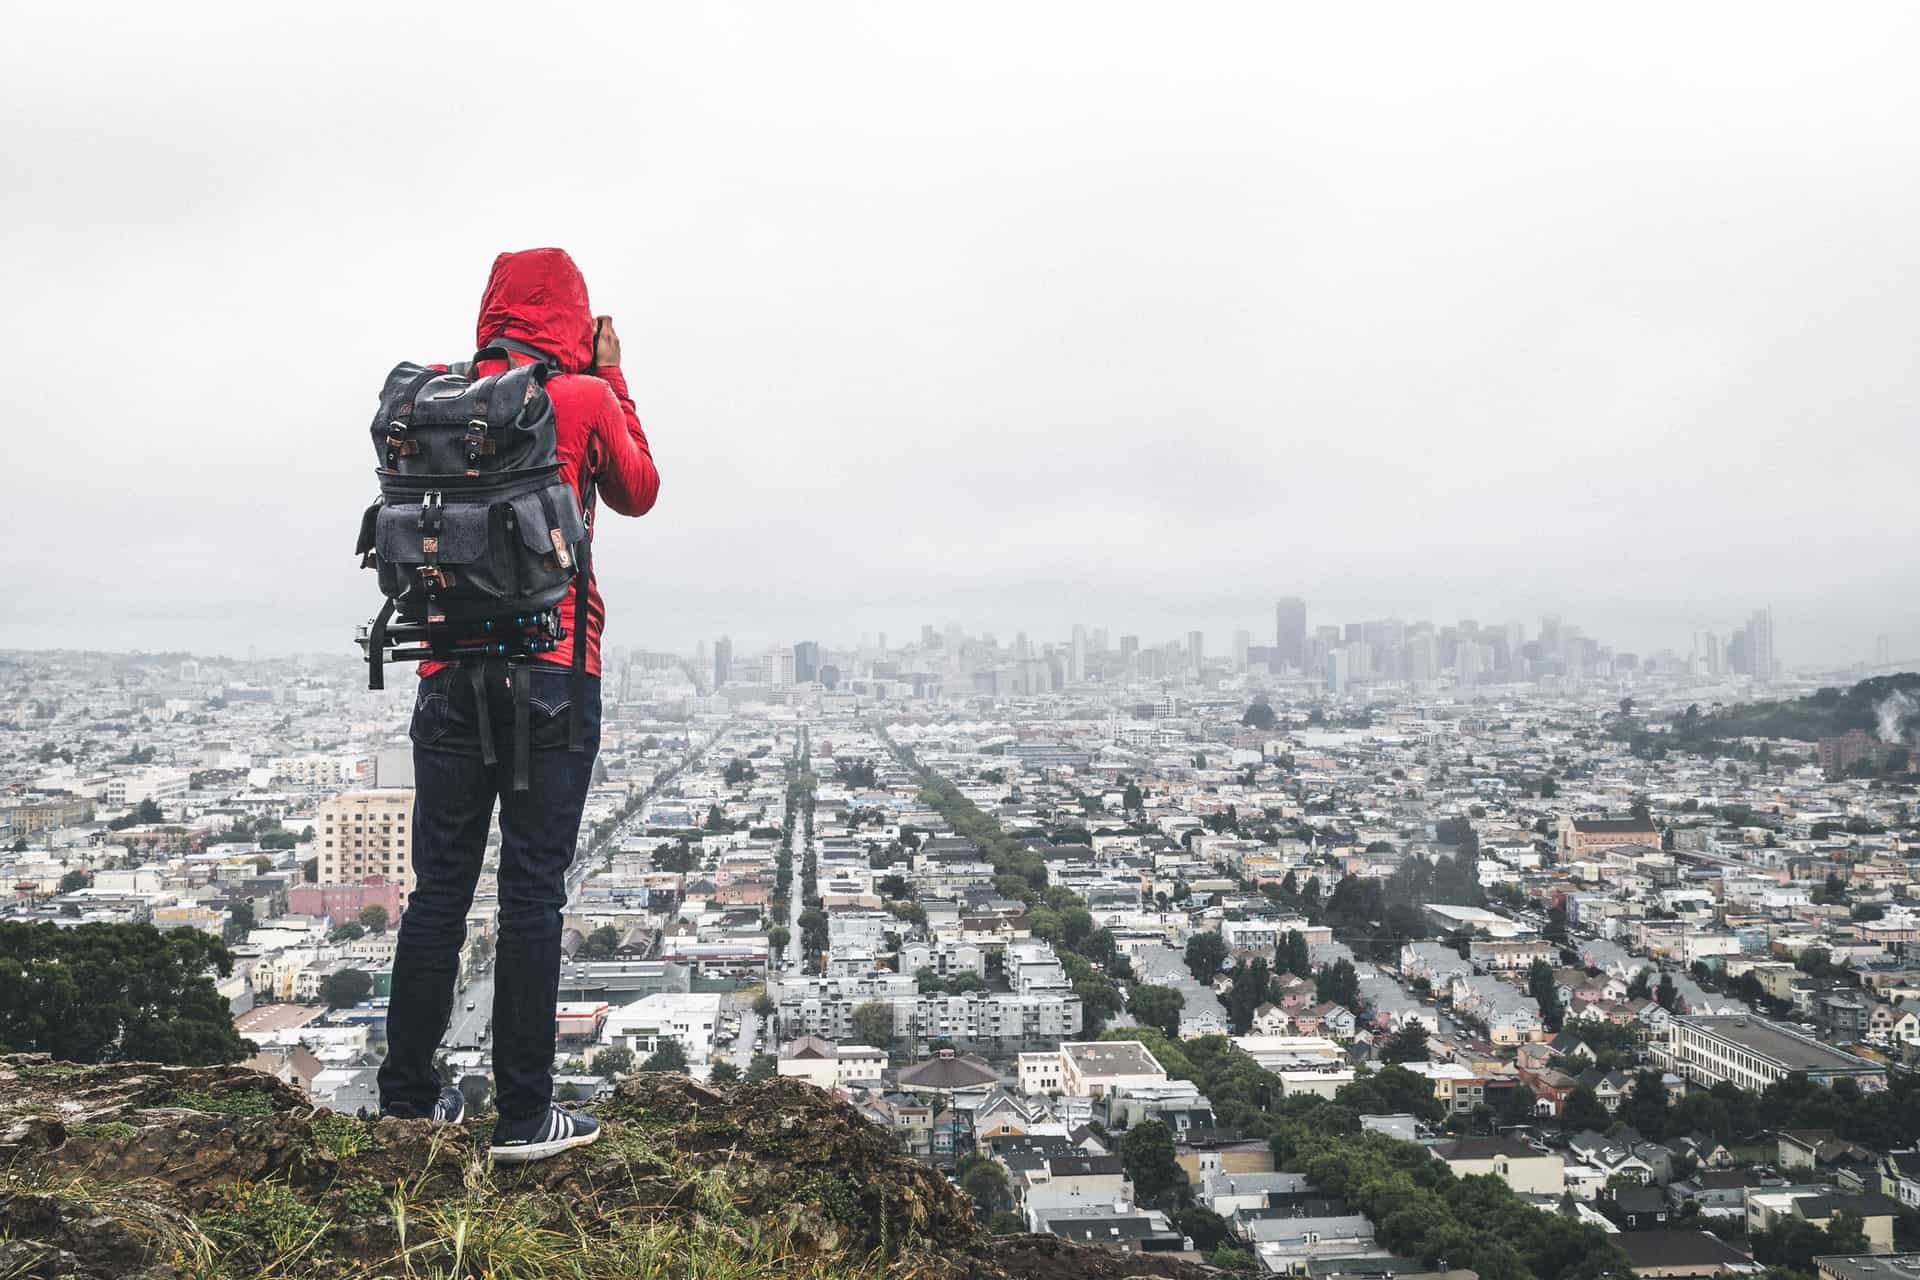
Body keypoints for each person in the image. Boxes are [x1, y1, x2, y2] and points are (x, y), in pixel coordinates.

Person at [376, 248, 659, 1163]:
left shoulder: (442, 406)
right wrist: (611, 372)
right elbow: (640, 491)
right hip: (551, 674)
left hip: (445, 675)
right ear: (574, 318)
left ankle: (408, 1102)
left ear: (491, 311)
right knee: (532, 894)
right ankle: (525, 1117)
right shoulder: (577, 400)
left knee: (439, 896)